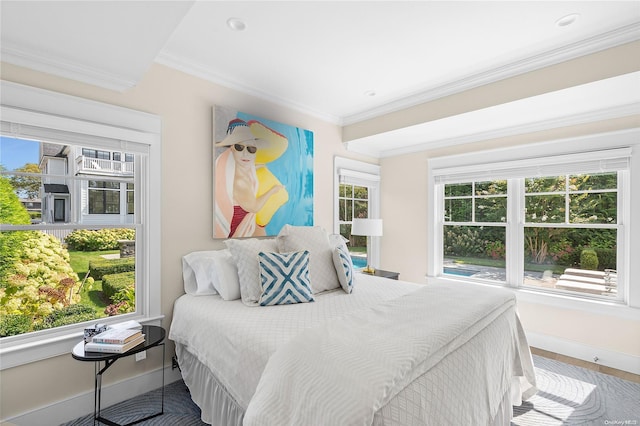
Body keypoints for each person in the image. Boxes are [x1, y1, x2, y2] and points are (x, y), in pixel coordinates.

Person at [214, 119, 288, 238]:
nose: (245, 154)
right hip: (237, 232)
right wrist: (273, 190)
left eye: (251, 149)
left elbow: (250, 166)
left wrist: (259, 166)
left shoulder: (234, 168)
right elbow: (255, 207)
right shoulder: (239, 182)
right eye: (239, 147)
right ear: (232, 148)